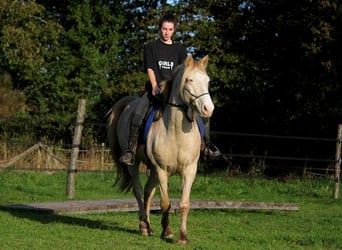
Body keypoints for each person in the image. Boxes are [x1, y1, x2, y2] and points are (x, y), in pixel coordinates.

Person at [119, 13, 222, 166]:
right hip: (155, 91)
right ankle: (130, 151)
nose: (167, 32)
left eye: (170, 29)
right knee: (138, 111)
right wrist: (154, 85)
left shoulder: (180, 50)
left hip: (175, 93)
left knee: (202, 112)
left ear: (174, 30)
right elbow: (150, 68)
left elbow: (185, 73)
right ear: (160, 29)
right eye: (164, 29)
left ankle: (206, 145)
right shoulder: (151, 47)